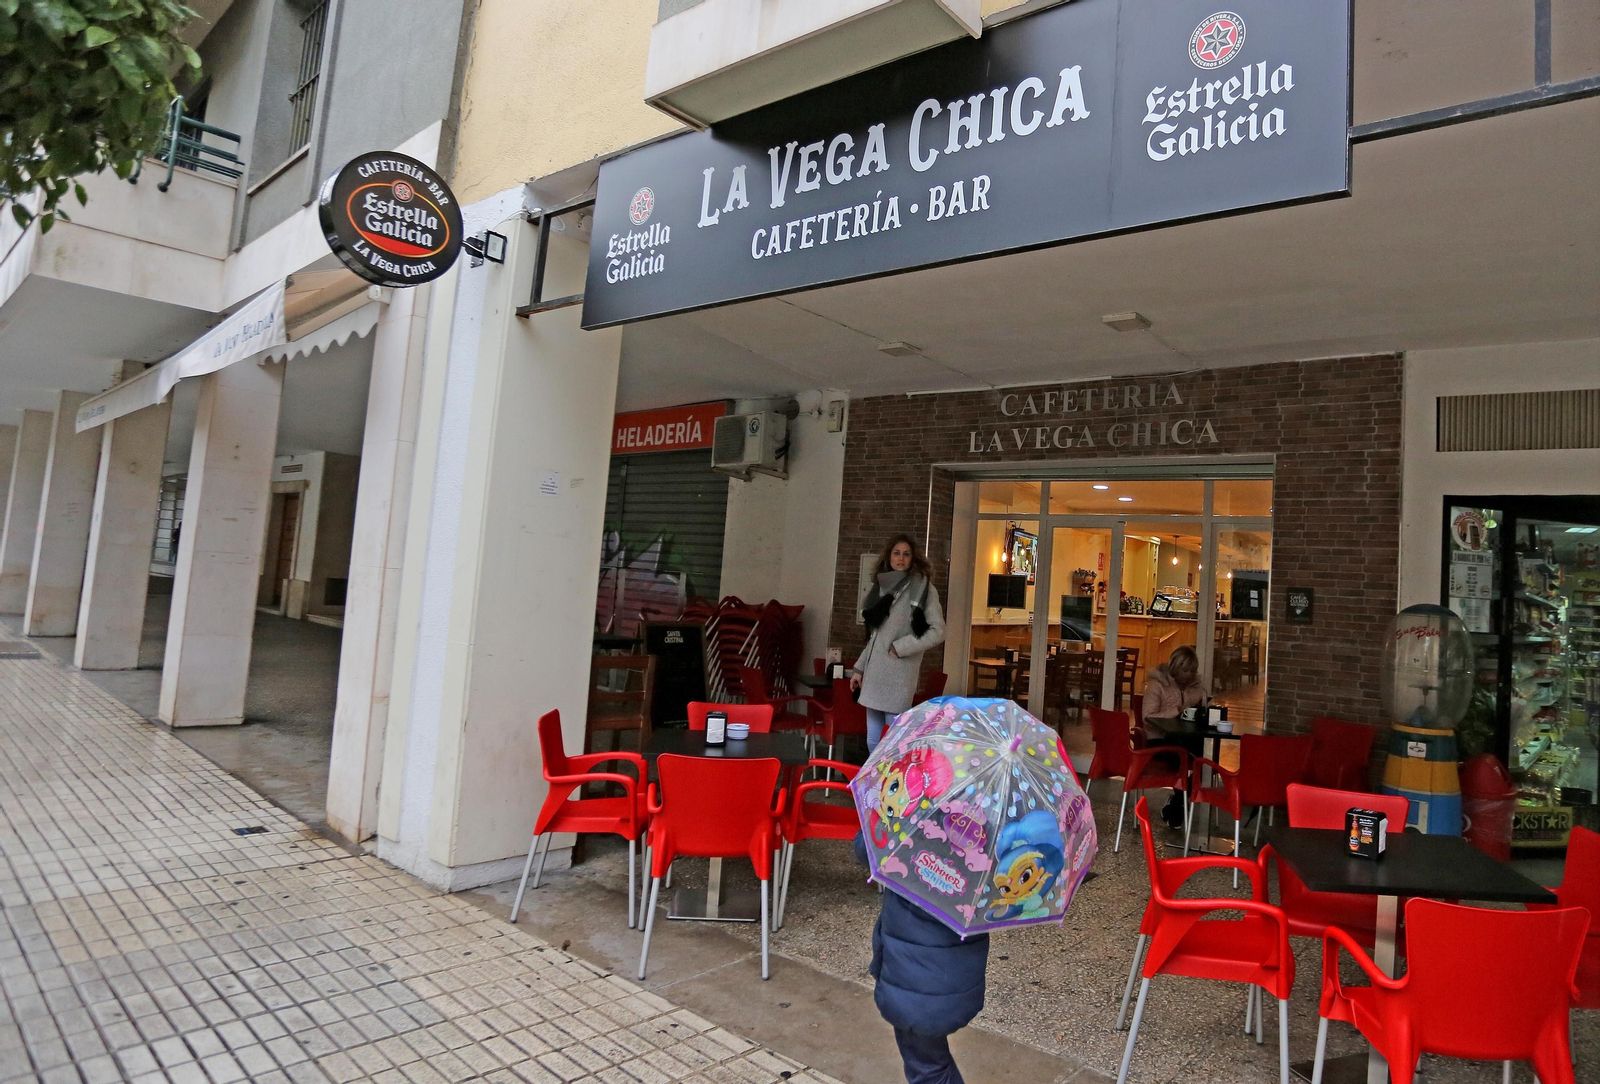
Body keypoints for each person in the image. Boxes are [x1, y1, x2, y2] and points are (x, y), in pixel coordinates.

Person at [856, 835, 987, 1084]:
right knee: (932, 1062)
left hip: (912, 977)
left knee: (928, 1069)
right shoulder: (989, 840)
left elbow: (867, 849)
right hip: (956, 976)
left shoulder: (913, 824)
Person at [850, 534, 946, 752]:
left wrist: (901, 647)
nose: (901, 558)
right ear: (889, 556)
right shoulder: (882, 586)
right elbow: (876, 637)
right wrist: (859, 668)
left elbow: (938, 631)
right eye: (896, 553)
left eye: (906, 554)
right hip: (874, 675)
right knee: (873, 741)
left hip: (898, 675)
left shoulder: (923, 588)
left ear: (913, 558)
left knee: (894, 741)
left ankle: (892, 775)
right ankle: (875, 775)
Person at [1140, 645, 1209, 829]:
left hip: (1184, 739)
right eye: (1185, 670)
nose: (1189, 675)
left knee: (1206, 761)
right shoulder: (1157, 685)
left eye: (1193, 670)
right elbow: (1147, 717)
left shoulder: (1197, 689)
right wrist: (1177, 710)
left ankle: (1176, 804)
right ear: (1175, 668)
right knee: (1181, 759)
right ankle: (1180, 805)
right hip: (1157, 740)